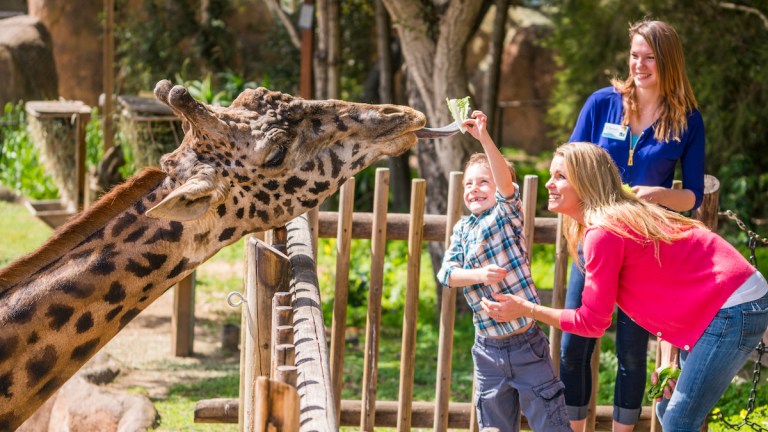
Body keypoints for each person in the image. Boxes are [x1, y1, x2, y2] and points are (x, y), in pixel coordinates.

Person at [482, 142, 768, 431]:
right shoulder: (613, 221)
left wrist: (526, 309)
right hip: (723, 303)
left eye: (560, 177)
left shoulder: (604, 232)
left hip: (733, 305)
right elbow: (671, 286)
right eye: (551, 175)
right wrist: (670, 359)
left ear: (586, 182)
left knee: (680, 421)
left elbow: (592, 323)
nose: (549, 184)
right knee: (668, 408)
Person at [562, 19, 705, 431]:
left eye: (650, 58)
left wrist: (658, 195)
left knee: (630, 354)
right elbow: (569, 163)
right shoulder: (601, 104)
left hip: (645, 252)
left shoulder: (687, 120)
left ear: (669, 62)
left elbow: (693, 196)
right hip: (594, 244)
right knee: (574, 347)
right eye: (634, 56)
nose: (639, 66)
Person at [437, 111, 570, 431]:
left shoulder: (506, 215)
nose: (473, 189)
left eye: (483, 182)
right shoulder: (462, 229)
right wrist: (480, 275)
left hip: (527, 346)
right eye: (469, 183)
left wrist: (484, 137)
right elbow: (447, 274)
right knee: (494, 427)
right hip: (487, 351)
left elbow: (505, 186)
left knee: (551, 424)